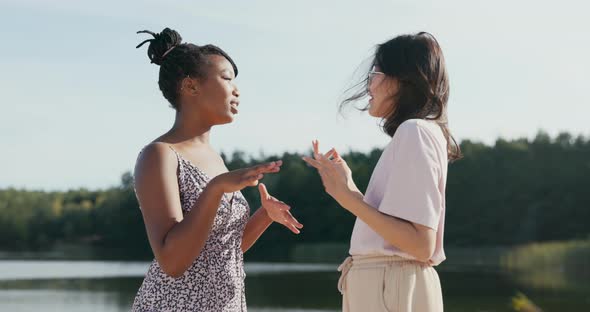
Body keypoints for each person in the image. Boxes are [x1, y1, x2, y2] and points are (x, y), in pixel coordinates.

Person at [132, 27, 303, 312]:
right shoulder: (159, 155)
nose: (236, 90)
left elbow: (218, 250)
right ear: (191, 86)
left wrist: (264, 216)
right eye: (226, 78)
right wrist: (216, 188)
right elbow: (173, 262)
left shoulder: (215, 160)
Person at [303, 32, 461, 312]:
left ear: (401, 79)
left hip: (392, 286)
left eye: (375, 73)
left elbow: (420, 244)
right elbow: (400, 233)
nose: (369, 85)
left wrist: (346, 197)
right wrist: (350, 189)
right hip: (390, 285)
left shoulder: (415, 132)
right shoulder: (416, 133)